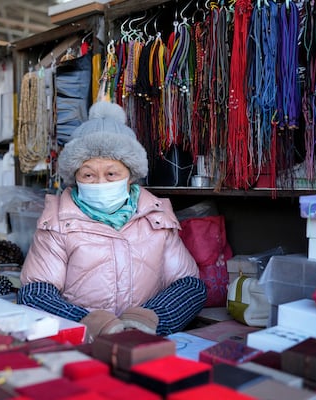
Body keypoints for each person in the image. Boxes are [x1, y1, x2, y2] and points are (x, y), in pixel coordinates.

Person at [18, 101, 207, 341]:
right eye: (88, 174)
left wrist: (147, 321)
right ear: (75, 178)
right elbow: (36, 293)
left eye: (111, 174)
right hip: (83, 344)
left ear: (130, 175)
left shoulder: (157, 219)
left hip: (144, 343)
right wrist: (91, 324)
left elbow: (189, 286)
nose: (100, 183)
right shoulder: (56, 224)